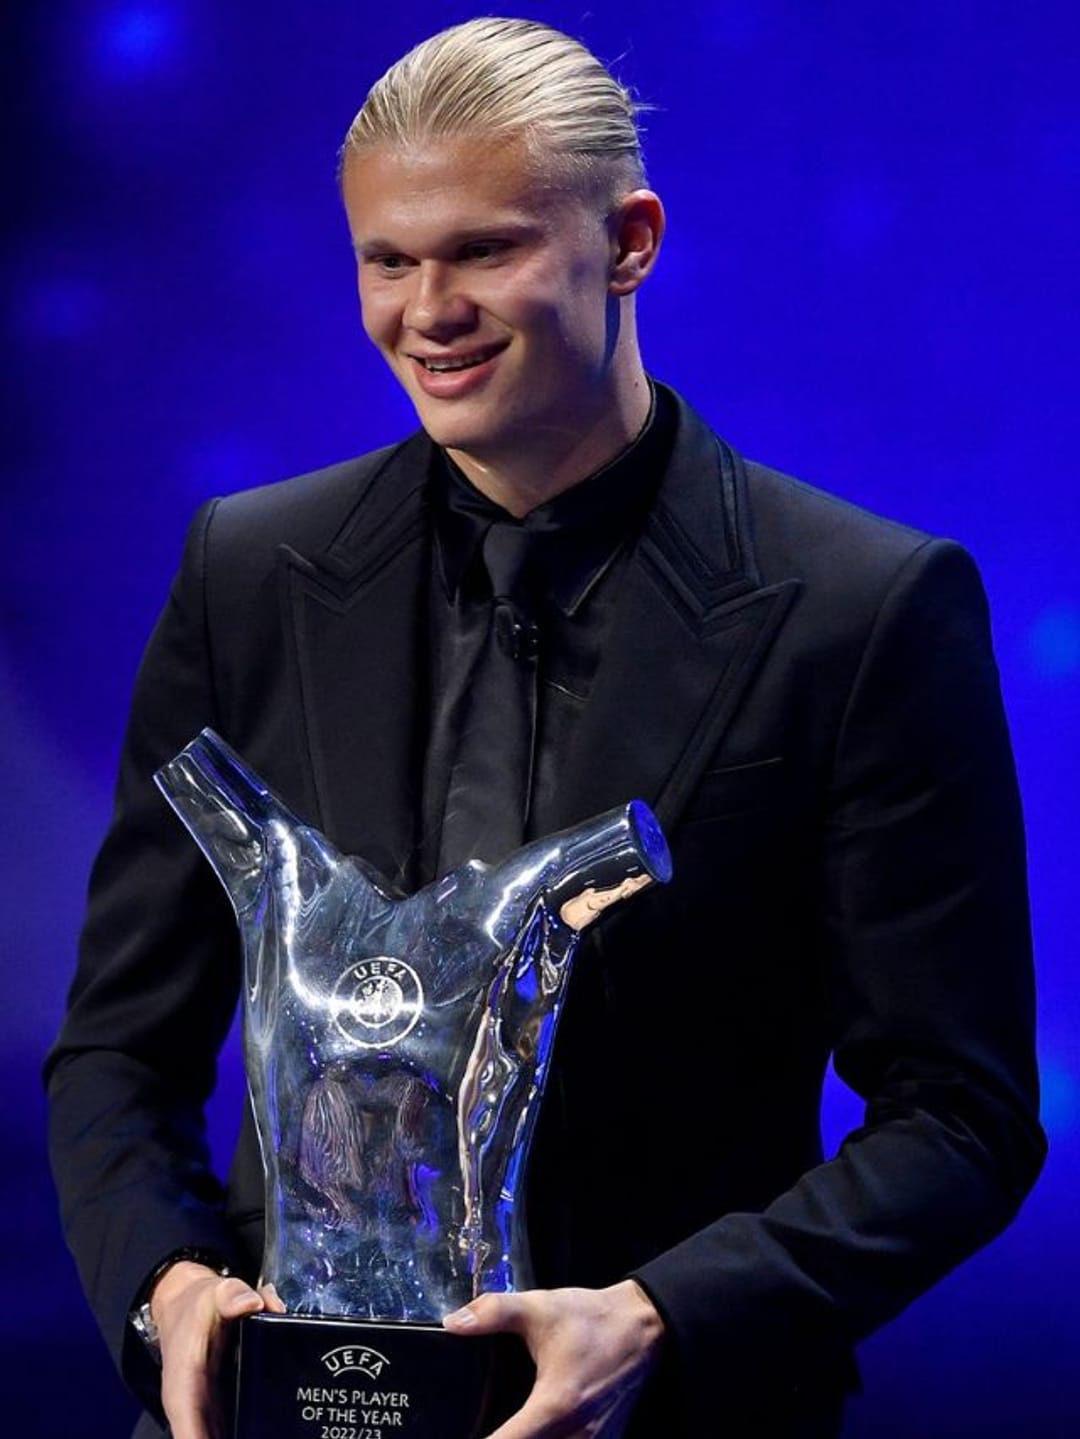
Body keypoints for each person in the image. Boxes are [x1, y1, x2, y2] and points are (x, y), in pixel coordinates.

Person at [46, 17, 1045, 1439]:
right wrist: (166, 1291)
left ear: (629, 242)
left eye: (484, 250)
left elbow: (960, 1114)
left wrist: (660, 1316)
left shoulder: (864, 607)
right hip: (277, 1410)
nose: (427, 310)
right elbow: (118, 1051)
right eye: (387, 261)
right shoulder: (247, 572)